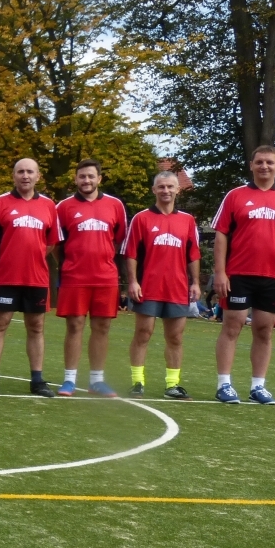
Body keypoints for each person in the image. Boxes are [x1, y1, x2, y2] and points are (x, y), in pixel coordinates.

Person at [212, 144, 275, 404]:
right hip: (239, 274)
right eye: (259, 162)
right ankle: (224, 384)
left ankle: (258, 387)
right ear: (251, 165)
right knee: (232, 326)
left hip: (272, 276)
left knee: (264, 330)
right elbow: (220, 235)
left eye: (269, 162)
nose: (264, 166)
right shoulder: (235, 196)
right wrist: (220, 272)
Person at [0, 158, 61, 397]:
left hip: (36, 278)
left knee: (36, 327)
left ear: (38, 176)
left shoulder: (49, 206)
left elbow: (50, 242)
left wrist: (33, 256)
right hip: (6, 276)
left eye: (30, 172)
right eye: (20, 172)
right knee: (0, 324)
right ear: (13, 176)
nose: (25, 176)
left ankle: (37, 380)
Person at [122, 170, 201, 399]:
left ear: (178, 190)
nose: (166, 191)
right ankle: (137, 382)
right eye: (161, 187)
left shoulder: (187, 220)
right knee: (143, 333)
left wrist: (195, 282)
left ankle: (172, 385)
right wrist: (134, 281)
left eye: (170, 187)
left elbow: (193, 254)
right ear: (154, 190)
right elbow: (131, 253)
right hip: (148, 286)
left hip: (177, 288)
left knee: (175, 337)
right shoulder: (141, 218)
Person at [54, 159, 128, 397]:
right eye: (82, 177)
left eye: (90, 176)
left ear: (99, 179)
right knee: (75, 326)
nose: (86, 180)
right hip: (75, 276)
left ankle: (97, 380)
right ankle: (69, 380)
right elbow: (56, 243)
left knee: (102, 327)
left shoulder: (115, 205)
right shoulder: (63, 207)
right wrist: (69, 264)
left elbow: (118, 240)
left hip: (105, 277)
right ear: (76, 179)